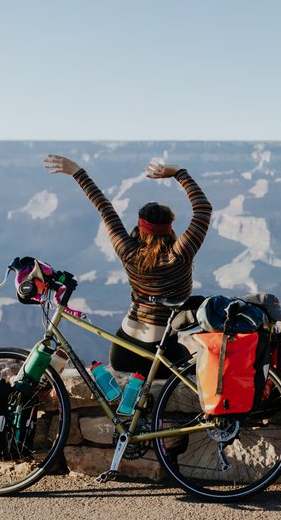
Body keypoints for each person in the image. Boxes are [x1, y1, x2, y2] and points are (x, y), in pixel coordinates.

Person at [45, 154, 212, 374]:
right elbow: (203, 209)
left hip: (122, 351)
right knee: (196, 371)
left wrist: (77, 172)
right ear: (169, 227)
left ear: (140, 228)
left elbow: (105, 208)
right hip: (159, 351)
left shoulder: (128, 251)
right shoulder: (179, 254)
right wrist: (179, 173)